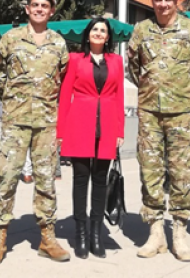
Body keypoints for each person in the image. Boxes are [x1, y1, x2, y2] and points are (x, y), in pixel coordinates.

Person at [126, 0, 190, 262]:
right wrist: (151, 88)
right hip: (150, 111)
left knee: (182, 172)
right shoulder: (142, 30)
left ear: (177, 2)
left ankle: (179, 233)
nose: (162, 4)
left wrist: (186, 90)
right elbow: (133, 66)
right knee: (149, 170)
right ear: (152, 2)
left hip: (183, 112)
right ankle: (155, 233)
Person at [0, 0, 70, 265]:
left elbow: (64, 77)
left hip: (46, 122)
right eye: (35, 5)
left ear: (52, 11)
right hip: (15, 120)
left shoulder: (58, 42)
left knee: (46, 180)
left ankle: (47, 238)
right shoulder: (11, 38)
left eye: (45, 5)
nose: (40, 9)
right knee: (7, 178)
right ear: (27, 9)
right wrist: (9, 95)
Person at [56, 17, 125, 259]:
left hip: (106, 124)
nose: (98, 33)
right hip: (79, 122)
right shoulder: (75, 59)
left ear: (108, 37)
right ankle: (81, 235)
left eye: (103, 30)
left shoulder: (116, 61)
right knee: (80, 179)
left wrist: (120, 131)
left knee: (100, 179)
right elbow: (65, 96)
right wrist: (61, 132)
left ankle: (97, 235)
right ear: (88, 34)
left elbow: (118, 96)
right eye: (95, 29)